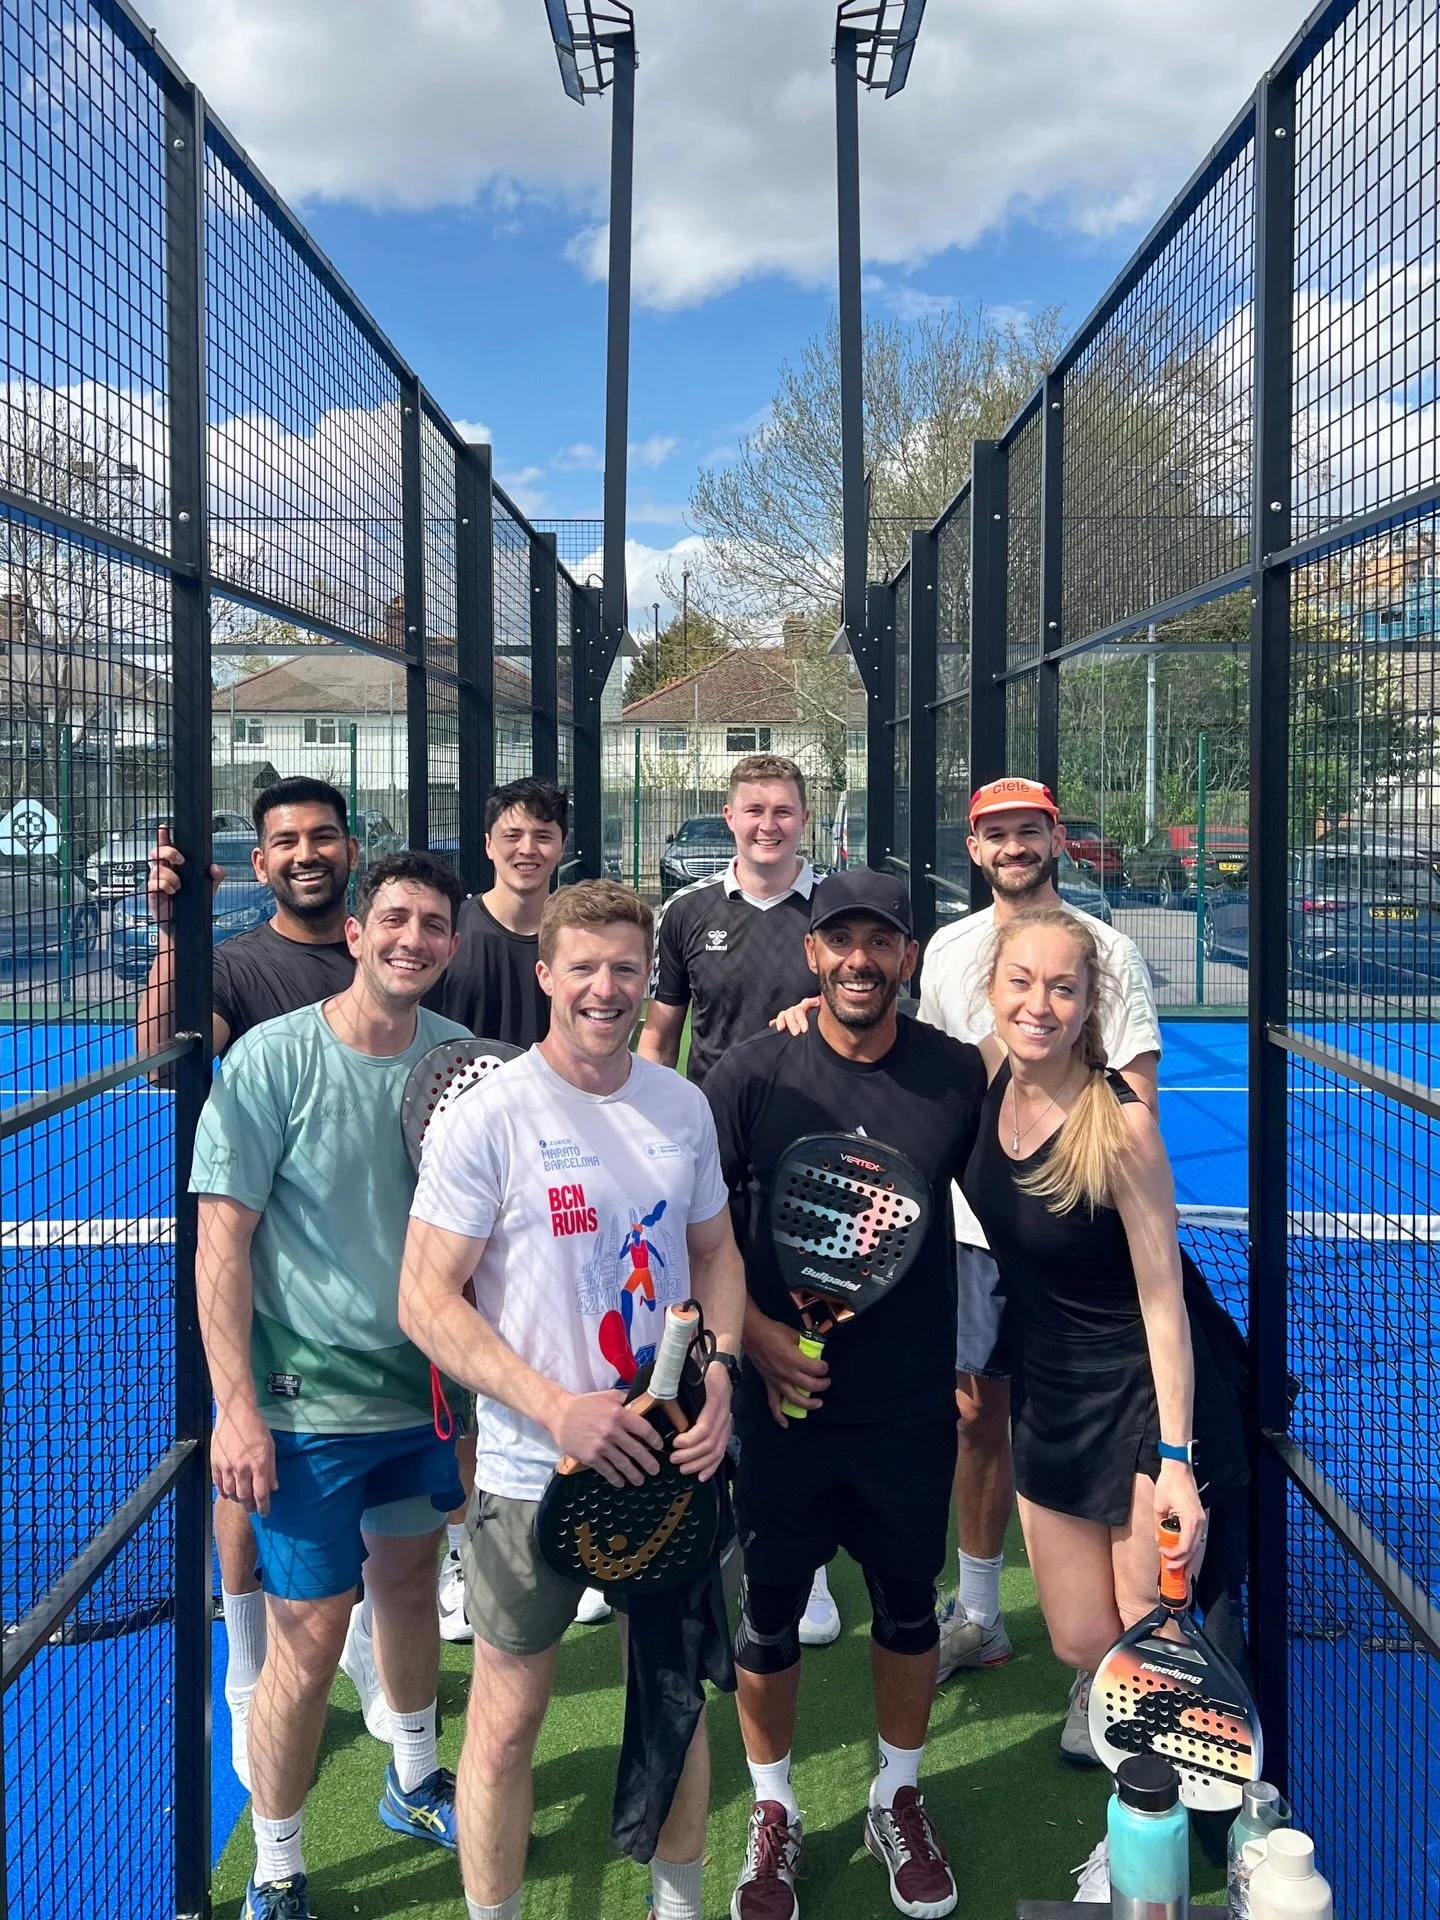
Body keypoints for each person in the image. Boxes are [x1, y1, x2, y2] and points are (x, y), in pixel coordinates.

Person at [398, 880, 747, 1920]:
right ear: (545, 974)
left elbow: (715, 1250)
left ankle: (675, 1906)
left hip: (673, 1465)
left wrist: (719, 1368)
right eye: (584, 968)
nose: (607, 989)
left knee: (676, 1706)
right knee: (506, 1725)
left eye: (626, 970)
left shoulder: (680, 1104)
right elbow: (424, 1299)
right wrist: (555, 1408)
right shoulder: (490, 1118)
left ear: (650, 979)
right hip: (526, 1475)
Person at [190, 851, 472, 1920]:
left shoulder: (463, 1064)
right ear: (355, 933)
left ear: (451, 943)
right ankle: (277, 1862)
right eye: (393, 917)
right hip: (306, 1411)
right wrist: (235, 1407)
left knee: (407, 1586)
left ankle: (411, 1780)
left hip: (428, 1401)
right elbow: (223, 1245)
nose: (412, 938)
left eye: (433, 924)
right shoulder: (269, 1062)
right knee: (309, 1640)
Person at [704, 870, 988, 1920]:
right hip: (778, 1405)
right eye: (841, 941)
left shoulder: (957, 1075)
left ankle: (897, 1793)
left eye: (882, 941)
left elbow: (1020, 1196)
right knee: (770, 1610)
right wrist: (760, 1339)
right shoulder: (752, 1071)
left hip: (909, 1408)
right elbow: (697, 1226)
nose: (861, 959)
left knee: (909, 1609)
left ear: (907, 957)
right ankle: (773, 1811)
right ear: (813, 954)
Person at [957, 904, 1245, 1902]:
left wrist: (1176, 1460)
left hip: (1133, 1400)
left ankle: (1142, 1836)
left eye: (1064, 989)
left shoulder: (1121, 1124)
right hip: (1043, 1397)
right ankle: (1174, 1795)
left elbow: (1166, 1300)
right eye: (1023, 982)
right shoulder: (985, 1074)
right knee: (1082, 1641)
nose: (1040, 1004)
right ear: (994, 988)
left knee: (1143, 1645)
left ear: (1092, 1007)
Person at [917, 779, 1161, 1758]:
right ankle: (980, 1613)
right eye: (995, 833)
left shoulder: (1110, 951)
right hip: (974, 1237)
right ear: (974, 849)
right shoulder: (947, 953)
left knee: (1102, 1441)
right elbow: (940, 1091)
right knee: (981, 1420)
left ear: (1056, 838)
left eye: (1030, 830)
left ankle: (1103, 1676)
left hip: (1068, 1248)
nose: (1014, 846)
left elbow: (1131, 1090)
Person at [140, 775, 361, 1786]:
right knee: (250, 1455)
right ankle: (247, 1658)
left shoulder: (387, 952)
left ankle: (357, 1643)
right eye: (286, 841)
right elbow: (157, 1059)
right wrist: (173, 931)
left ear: (351, 849)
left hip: (379, 1258)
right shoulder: (232, 964)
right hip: (270, 1265)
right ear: (263, 861)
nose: (306, 852)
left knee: (380, 1457)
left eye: (323, 835)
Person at [639, 752, 842, 1648]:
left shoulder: (833, 912)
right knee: (705, 1333)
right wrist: (638, 1140)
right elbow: (658, 1035)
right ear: (728, 816)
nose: (769, 824)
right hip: (712, 1158)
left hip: (816, 1159)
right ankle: (683, 1518)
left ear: (805, 817)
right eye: (754, 809)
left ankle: (813, 1562)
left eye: (784, 810)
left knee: (805, 1344)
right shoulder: (686, 912)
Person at [422, 774, 578, 1639]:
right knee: (469, 1371)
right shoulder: (459, 938)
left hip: (560, 1185)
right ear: (489, 844)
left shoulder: (570, 935)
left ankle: (572, 1525)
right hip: (471, 1187)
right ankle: (464, 1547)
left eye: (543, 835)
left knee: (563, 1357)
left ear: (560, 846)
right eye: (513, 834)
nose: (528, 848)